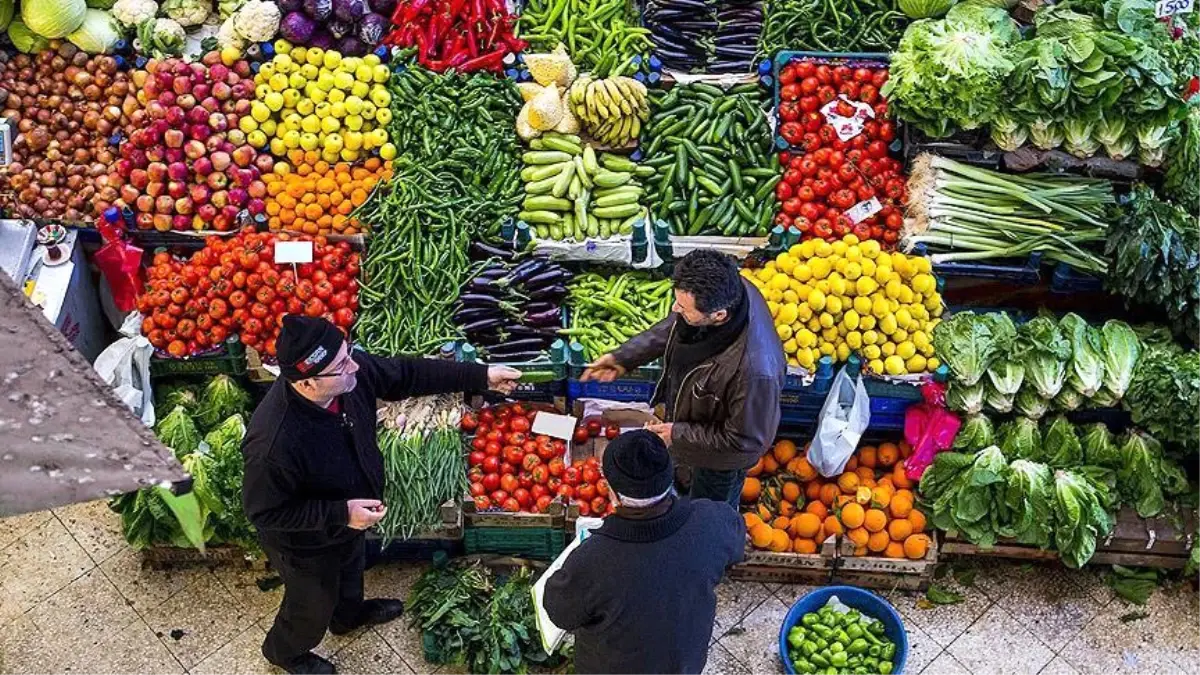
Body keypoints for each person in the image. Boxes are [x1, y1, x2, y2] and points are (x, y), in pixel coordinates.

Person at [242, 315, 521, 675]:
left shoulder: (347, 379)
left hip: (352, 517)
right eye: (342, 364)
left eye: (349, 353)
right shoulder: (273, 443)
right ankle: (286, 651)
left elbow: (405, 373)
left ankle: (349, 616)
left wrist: (480, 375)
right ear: (309, 383)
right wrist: (340, 514)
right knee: (311, 601)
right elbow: (265, 514)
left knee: (352, 571)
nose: (355, 365)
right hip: (304, 544)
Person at [582, 249, 785, 507]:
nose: (675, 309)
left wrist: (677, 434)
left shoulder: (755, 373)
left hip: (719, 462)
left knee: (708, 512)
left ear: (719, 315)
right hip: (695, 425)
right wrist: (625, 357)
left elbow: (745, 442)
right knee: (684, 484)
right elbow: (678, 324)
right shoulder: (729, 288)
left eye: (684, 307)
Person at [543, 430, 745, 675]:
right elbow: (735, 548)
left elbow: (560, 613)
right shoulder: (714, 520)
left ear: (612, 493)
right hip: (685, 664)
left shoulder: (592, 561)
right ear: (670, 476)